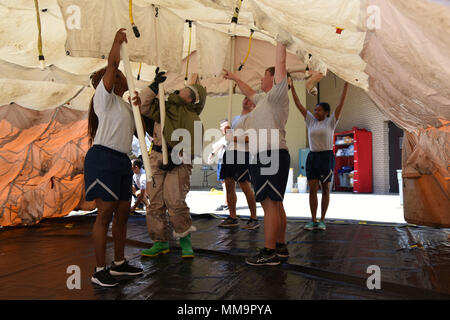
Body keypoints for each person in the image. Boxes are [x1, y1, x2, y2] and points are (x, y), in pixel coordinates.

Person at [84, 28, 143, 287]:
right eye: (118, 74)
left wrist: (139, 108)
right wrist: (117, 41)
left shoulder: (125, 105)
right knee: (105, 212)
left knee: (122, 213)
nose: (121, 75)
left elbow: (137, 132)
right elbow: (113, 63)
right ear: (109, 81)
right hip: (103, 158)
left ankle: (119, 264)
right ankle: (99, 270)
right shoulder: (103, 97)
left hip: (121, 160)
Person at [223, 42, 290, 266]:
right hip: (267, 154)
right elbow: (249, 92)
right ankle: (280, 247)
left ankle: (269, 252)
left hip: (271, 154)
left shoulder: (278, 95)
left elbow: (281, 63)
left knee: (269, 204)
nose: (261, 80)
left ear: (275, 79)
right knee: (276, 203)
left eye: (264, 76)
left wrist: (281, 40)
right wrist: (234, 77)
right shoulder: (263, 100)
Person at [138, 71, 207, 259]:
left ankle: (185, 240)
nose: (180, 89)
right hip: (157, 156)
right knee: (155, 202)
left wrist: (176, 158)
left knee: (175, 201)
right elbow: (142, 106)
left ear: (191, 98)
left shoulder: (193, 120)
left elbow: (193, 147)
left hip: (180, 161)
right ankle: (160, 242)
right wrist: (153, 86)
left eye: (186, 89)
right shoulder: (163, 107)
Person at [289, 77, 348, 231]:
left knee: (326, 189)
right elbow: (298, 105)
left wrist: (346, 84)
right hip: (313, 157)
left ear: (326, 112)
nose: (315, 112)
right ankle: (313, 219)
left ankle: (322, 220)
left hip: (326, 157)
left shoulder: (331, 122)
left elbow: (341, 104)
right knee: (313, 190)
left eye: (319, 110)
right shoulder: (310, 121)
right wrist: (293, 87)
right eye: (315, 110)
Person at [218, 97, 259, 230]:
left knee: (245, 185)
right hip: (230, 152)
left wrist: (232, 136)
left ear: (254, 104)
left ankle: (254, 218)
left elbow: (249, 138)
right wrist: (228, 132)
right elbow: (230, 138)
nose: (246, 101)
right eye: (245, 99)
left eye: (250, 100)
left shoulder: (252, 118)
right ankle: (232, 217)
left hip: (242, 154)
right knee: (229, 185)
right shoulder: (235, 118)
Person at [208, 119, 229, 212]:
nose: (220, 128)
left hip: (226, 163)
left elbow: (218, 146)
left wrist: (212, 153)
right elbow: (217, 145)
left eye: (222, 126)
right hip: (223, 162)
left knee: (226, 185)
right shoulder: (225, 137)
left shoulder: (228, 136)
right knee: (226, 185)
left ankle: (226, 204)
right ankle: (227, 203)